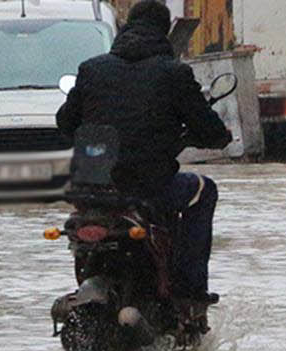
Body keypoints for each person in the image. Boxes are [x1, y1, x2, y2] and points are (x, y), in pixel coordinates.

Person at [56, 0, 231, 303]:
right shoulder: (174, 73)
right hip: (149, 188)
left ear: (125, 29)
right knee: (204, 191)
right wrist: (216, 138)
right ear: (165, 32)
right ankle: (191, 292)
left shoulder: (92, 69)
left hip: (91, 190)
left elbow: (65, 123)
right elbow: (211, 131)